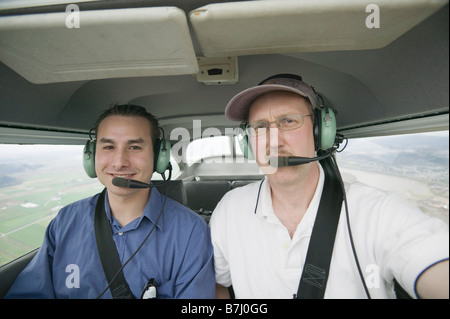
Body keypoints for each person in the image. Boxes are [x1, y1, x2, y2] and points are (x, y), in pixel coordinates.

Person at [210, 74, 449, 299]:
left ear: (320, 133)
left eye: (288, 121)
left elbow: (431, 261)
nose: (274, 141)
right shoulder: (230, 209)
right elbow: (219, 284)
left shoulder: (379, 212)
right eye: (261, 126)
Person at [5, 104, 215, 299]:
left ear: (159, 158)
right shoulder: (65, 222)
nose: (119, 162)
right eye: (108, 147)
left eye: (134, 147)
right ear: (91, 156)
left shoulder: (191, 231)